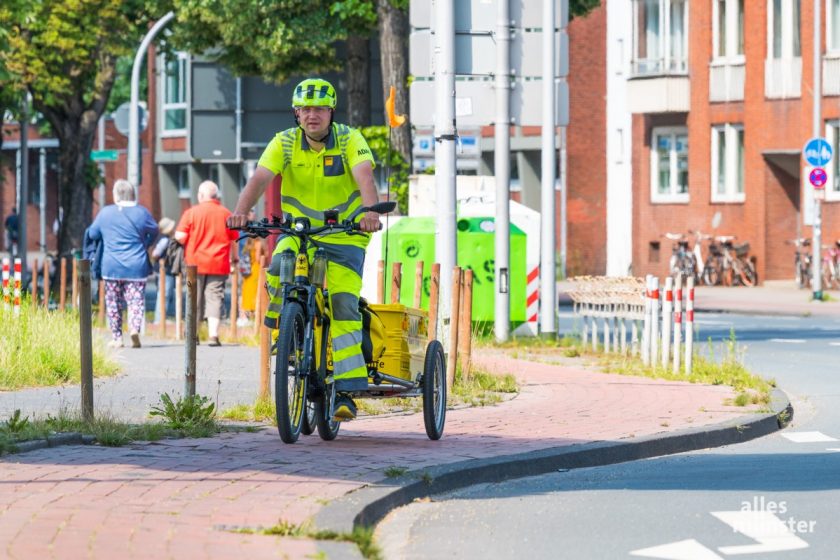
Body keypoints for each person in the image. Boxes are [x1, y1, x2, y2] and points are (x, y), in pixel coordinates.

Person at [227, 78, 381, 421]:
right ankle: (288, 331)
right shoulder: (283, 143)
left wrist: (370, 212)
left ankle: (345, 391)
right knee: (281, 263)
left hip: (344, 235)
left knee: (342, 302)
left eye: (320, 109)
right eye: (306, 109)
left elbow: (365, 176)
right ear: (296, 113)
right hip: (299, 232)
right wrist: (242, 212)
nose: (313, 115)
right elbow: (259, 179)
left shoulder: (349, 140)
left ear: (331, 112)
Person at [87, 180, 159, 348]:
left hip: (111, 266)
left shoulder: (106, 213)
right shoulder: (142, 213)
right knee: (135, 300)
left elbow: (93, 233)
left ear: (116, 194)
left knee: (113, 301)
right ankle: (134, 328)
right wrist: (145, 244)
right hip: (136, 265)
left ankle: (117, 337)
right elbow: (154, 230)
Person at [175, 180, 239, 347]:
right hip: (219, 262)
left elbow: (180, 236)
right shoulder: (226, 214)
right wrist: (234, 259)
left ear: (201, 195)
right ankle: (213, 335)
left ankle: (193, 334)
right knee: (215, 297)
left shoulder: (191, 212)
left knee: (193, 297)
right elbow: (234, 240)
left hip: (194, 263)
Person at [237, 209, 265, 326]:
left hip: (246, 270)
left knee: (245, 293)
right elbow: (259, 258)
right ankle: (254, 317)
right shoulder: (258, 244)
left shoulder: (246, 242)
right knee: (255, 293)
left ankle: (243, 316)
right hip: (256, 269)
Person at [151, 217, 177, 323]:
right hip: (165, 270)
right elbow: (155, 254)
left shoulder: (162, 238)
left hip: (163, 270)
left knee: (165, 294)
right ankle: (159, 320)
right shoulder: (165, 239)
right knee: (164, 294)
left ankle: (161, 318)